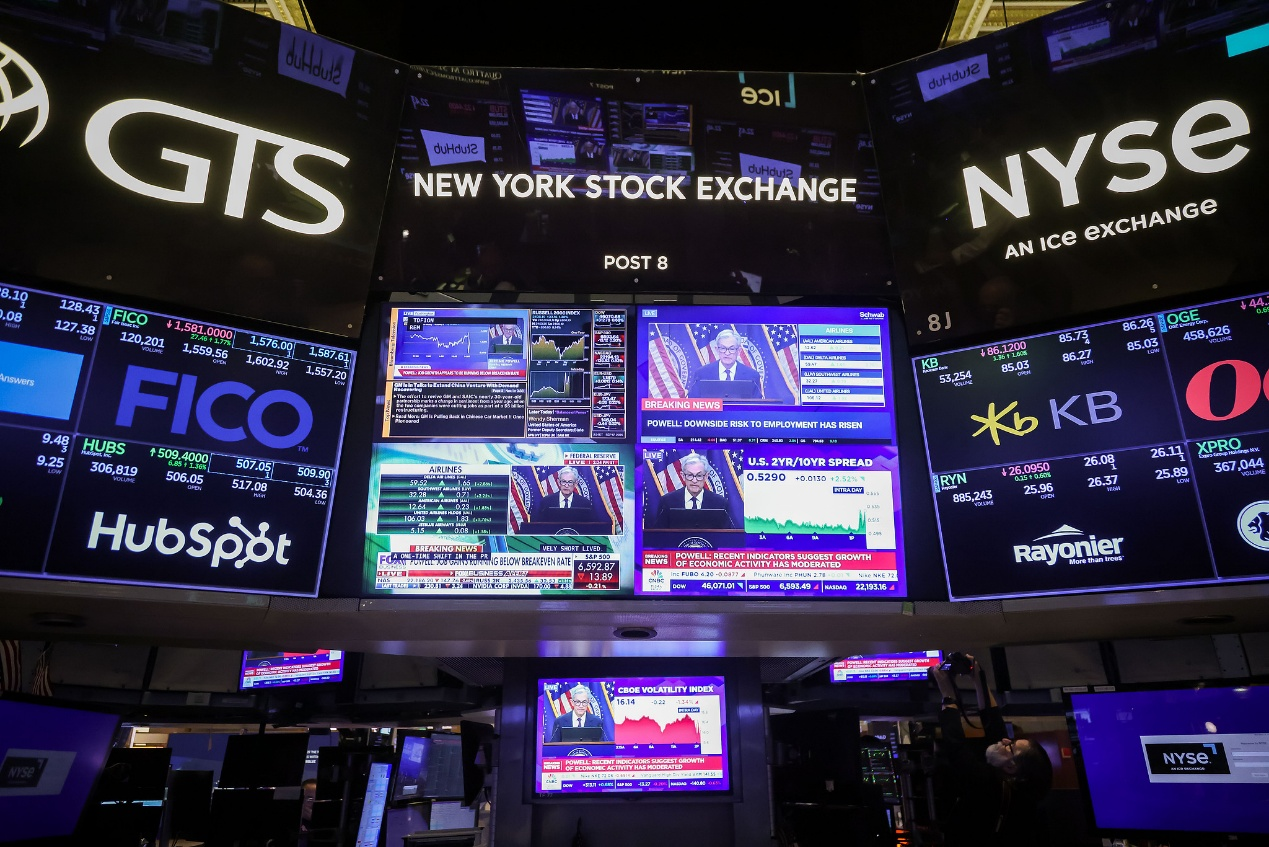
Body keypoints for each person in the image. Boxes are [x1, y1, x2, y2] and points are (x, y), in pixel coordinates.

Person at [929, 653, 1053, 847]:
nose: (1005, 740)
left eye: (1011, 746)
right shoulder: (1014, 788)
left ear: (1011, 767)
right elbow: (995, 725)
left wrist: (947, 695)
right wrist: (978, 678)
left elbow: (956, 746)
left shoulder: (988, 785)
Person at [653, 454, 733, 528]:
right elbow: (659, 535)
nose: (694, 480)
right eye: (690, 475)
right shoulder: (667, 502)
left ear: (706, 476)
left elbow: (727, 536)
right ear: (683, 476)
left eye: (699, 475)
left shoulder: (720, 503)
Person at [686, 328, 762, 398]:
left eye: (732, 349)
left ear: (739, 351)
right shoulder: (701, 374)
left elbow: (757, 405)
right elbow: (693, 402)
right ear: (717, 349)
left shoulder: (752, 376)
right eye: (723, 348)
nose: (727, 353)